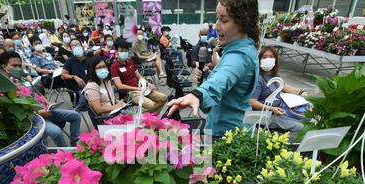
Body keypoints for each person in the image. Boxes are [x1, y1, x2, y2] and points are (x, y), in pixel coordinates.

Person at [167, 0, 260, 138]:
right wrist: (208, 74)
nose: (216, 26)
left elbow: (223, 78)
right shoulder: (240, 50)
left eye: (224, 20)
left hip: (227, 137)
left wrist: (198, 94)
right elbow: (227, 78)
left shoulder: (239, 56)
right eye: (217, 18)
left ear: (243, 22)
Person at [0, 51, 81, 147]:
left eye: (19, 65)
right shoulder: (5, 87)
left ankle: (75, 145)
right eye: (14, 65)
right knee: (56, 132)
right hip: (33, 118)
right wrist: (38, 113)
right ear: (5, 67)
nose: (18, 68)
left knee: (75, 116)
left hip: (46, 111)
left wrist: (48, 103)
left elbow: (38, 94)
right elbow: (18, 112)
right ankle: (65, 155)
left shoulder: (24, 80)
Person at [250, 46, 311, 141]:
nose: (268, 60)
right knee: (300, 128)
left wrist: (301, 93)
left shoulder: (273, 75)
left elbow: (283, 86)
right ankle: (278, 146)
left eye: (271, 57)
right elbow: (252, 102)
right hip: (265, 115)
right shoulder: (259, 79)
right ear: (259, 59)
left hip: (280, 109)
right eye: (265, 57)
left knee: (308, 119)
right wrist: (272, 109)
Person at [110, 40, 167, 114]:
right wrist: (138, 88)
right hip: (128, 94)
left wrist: (147, 84)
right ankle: (142, 119)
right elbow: (119, 86)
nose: (124, 53)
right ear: (116, 52)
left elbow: (139, 76)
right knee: (151, 105)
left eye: (126, 51)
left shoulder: (130, 61)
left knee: (163, 98)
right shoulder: (114, 66)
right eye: (121, 51)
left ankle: (147, 119)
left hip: (140, 89)